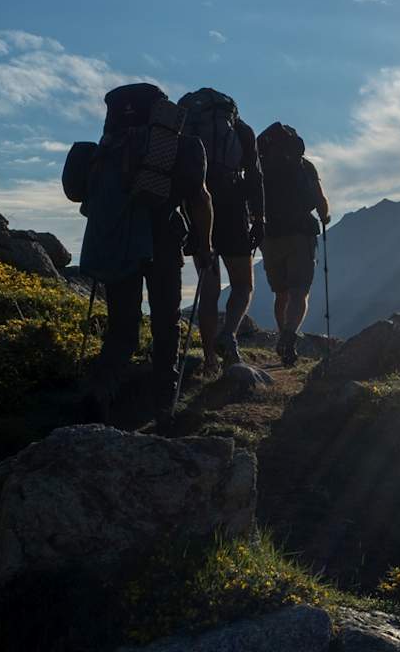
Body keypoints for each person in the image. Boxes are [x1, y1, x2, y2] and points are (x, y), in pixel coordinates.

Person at [73, 83, 213, 427]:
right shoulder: (179, 146)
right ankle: (163, 404)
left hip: (118, 242)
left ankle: (101, 392)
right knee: (166, 322)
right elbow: (200, 199)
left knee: (122, 327)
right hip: (164, 241)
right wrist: (205, 244)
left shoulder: (108, 147)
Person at [177, 88, 265, 372]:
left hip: (196, 203)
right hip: (232, 204)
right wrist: (259, 217)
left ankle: (210, 360)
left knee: (209, 287)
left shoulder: (188, 128)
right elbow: (254, 174)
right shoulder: (241, 129)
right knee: (243, 284)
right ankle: (228, 336)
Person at [256, 122, 330, 365]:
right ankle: (288, 336)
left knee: (281, 293)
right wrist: (324, 215)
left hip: (270, 235)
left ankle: (283, 337)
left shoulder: (262, 164)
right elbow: (320, 200)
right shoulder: (304, 166)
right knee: (299, 290)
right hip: (300, 233)